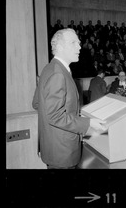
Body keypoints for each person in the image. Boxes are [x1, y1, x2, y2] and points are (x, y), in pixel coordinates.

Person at [32, 29, 107, 169]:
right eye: (73, 43)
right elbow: (54, 115)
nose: (79, 47)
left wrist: (72, 114)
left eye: (78, 43)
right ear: (59, 47)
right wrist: (87, 123)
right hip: (63, 151)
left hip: (53, 147)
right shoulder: (58, 73)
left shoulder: (49, 68)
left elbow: (37, 104)